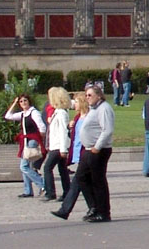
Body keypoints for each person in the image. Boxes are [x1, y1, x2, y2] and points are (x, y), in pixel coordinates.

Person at [71, 84, 114, 222]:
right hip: (88, 149)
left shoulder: (104, 108)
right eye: (86, 95)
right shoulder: (93, 109)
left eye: (90, 95)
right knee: (81, 177)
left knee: (98, 181)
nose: (87, 97)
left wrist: (97, 146)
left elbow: (107, 130)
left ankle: (103, 212)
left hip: (98, 150)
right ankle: (93, 206)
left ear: (99, 95)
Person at [51, 92, 89, 219]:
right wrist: (70, 126)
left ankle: (65, 210)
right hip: (79, 153)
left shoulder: (89, 117)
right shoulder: (78, 117)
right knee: (86, 183)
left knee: (78, 183)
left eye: (77, 101)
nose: (74, 104)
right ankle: (94, 208)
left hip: (87, 153)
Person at [4, 93, 47, 198]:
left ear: (29, 101)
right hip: (25, 140)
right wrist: (14, 103)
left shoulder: (34, 112)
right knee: (26, 166)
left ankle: (43, 184)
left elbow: (42, 127)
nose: (23, 103)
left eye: (25, 101)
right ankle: (28, 190)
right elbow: (8, 116)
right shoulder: (23, 114)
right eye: (21, 101)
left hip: (32, 140)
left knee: (23, 166)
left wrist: (39, 139)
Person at [41, 87, 71, 202]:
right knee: (62, 169)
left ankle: (51, 192)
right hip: (56, 144)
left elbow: (63, 131)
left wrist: (63, 149)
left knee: (48, 167)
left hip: (59, 146)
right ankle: (67, 191)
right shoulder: (57, 112)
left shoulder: (61, 113)